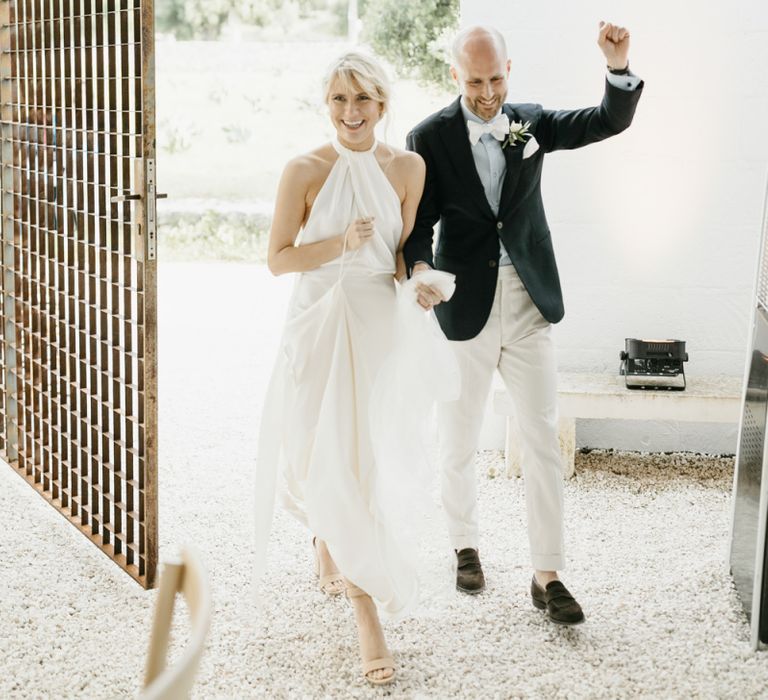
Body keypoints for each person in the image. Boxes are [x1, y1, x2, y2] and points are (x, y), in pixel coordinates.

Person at [403, 22, 644, 624]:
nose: (488, 92)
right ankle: (464, 545)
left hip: (530, 300)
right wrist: (422, 273)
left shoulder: (530, 122)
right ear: (455, 75)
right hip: (464, 301)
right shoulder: (427, 136)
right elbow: (418, 227)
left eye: (497, 78)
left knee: (540, 437)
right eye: (475, 80)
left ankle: (548, 573)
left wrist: (617, 67)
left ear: (510, 70)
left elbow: (605, 121)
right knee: (458, 435)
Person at [254, 52, 457, 685]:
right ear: (328, 105)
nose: (350, 113)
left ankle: (366, 607)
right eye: (339, 101)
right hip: (319, 317)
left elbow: (400, 253)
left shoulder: (408, 167)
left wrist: (420, 279)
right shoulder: (304, 169)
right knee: (320, 443)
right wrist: (337, 244)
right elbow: (280, 260)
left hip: (376, 320)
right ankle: (326, 535)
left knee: (364, 455)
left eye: (362, 100)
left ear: (381, 104)